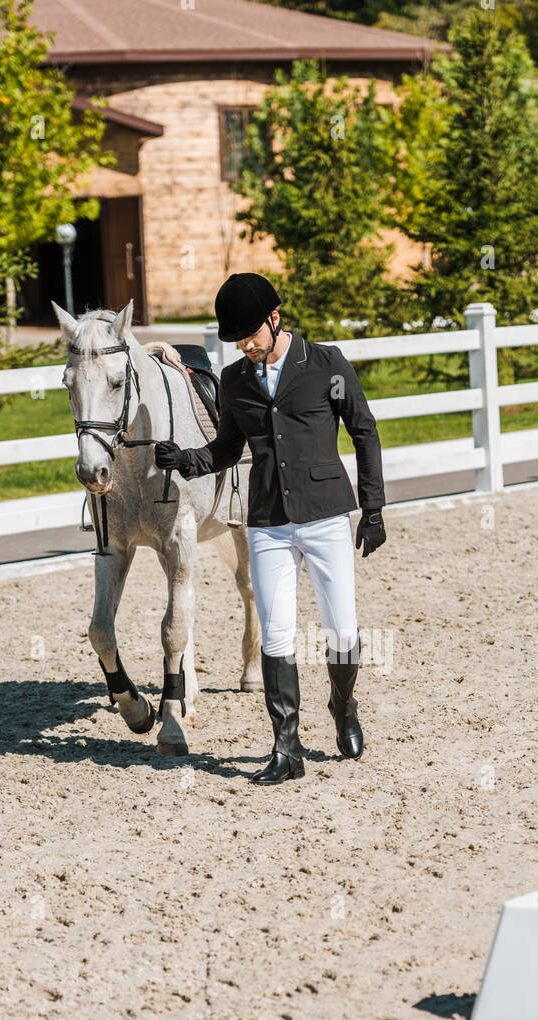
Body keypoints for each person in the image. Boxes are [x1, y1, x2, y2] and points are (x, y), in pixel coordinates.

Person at [155, 273, 386, 785]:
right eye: (236, 339)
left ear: (274, 319)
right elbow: (226, 449)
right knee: (276, 635)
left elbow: (364, 432)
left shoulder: (326, 363)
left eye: (250, 336)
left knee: (342, 631)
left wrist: (372, 510)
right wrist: (185, 460)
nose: (244, 345)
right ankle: (287, 749)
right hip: (267, 521)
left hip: (326, 514)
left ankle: (343, 708)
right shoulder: (236, 379)